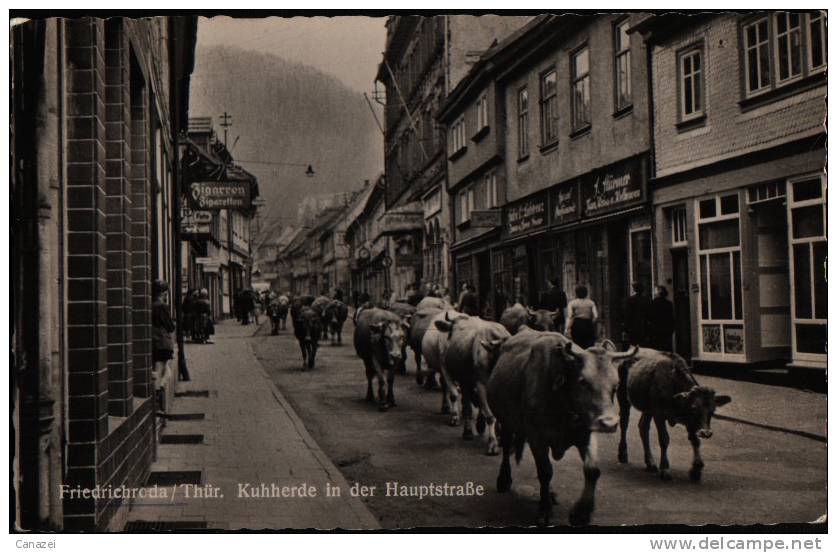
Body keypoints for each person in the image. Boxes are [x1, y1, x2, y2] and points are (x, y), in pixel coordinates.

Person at [152, 279, 176, 413]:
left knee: (162, 369)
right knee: (161, 369)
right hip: (162, 341)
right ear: (163, 292)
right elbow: (170, 326)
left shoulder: (150, 304)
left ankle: (158, 397)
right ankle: (158, 392)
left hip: (153, 340)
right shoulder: (162, 306)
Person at [566, 285, 598, 349]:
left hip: (577, 325)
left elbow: (570, 316)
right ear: (586, 293)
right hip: (588, 324)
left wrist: (567, 328)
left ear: (576, 293)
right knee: (589, 346)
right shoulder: (591, 303)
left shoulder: (572, 303)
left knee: (578, 346)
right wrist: (591, 323)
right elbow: (596, 316)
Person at [623, 282, 651, 348]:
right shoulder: (647, 300)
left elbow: (627, 315)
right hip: (644, 326)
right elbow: (649, 314)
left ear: (633, 290)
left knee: (633, 346)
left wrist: (625, 328)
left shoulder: (630, 300)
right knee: (643, 346)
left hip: (633, 327)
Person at [648, 285, 676, 352]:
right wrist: (671, 329)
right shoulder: (669, 303)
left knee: (657, 349)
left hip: (656, 330)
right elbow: (671, 317)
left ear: (658, 293)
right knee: (666, 349)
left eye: (655, 291)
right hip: (666, 330)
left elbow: (650, 316)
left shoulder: (653, 303)